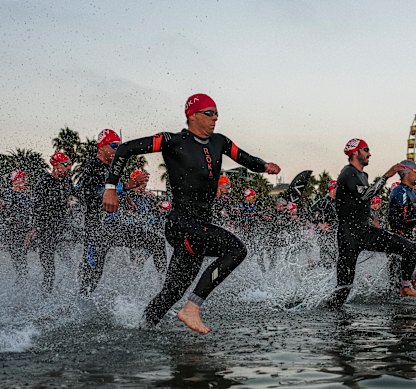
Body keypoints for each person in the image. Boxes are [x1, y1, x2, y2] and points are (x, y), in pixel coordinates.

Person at [102, 93, 280, 333]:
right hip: (181, 224)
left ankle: (141, 327)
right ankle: (192, 308)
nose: (215, 118)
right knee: (237, 249)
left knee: (173, 291)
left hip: (199, 229)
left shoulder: (220, 142)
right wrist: (110, 189)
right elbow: (124, 149)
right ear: (192, 115)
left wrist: (265, 166)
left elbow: (245, 159)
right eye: (209, 113)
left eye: (217, 113)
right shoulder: (172, 141)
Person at [325, 138, 416, 309]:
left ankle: (405, 287)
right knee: (343, 290)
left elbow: (360, 203)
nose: (370, 153)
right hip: (349, 237)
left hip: (366, 231)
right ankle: (329, 315)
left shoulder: (363, 175)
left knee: (409, 248)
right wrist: (387, 175)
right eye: (366, 149)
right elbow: (365, 195)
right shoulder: (348, 173)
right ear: (355, 152)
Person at [77, 129, 149, 295]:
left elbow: (114, 194)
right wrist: (126, 186)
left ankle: (162, 290)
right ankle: (79, 306)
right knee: (93, 271)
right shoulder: (92, 166)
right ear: (101, 147)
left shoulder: (112, 169)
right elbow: (91, 193)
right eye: (114, 146)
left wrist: (128, 201)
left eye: (120, 146)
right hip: (95, 229)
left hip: (111, 227)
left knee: (155, 242)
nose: (118, 150)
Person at [26, 152, 75, 291]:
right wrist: (33, 229)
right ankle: (44, 300)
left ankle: (66, 293)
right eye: (66, 165)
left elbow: (76, 195)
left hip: (61, 229)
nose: (69, 168)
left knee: (71, 265)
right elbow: (35, 208)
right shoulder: (43, 183)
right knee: (49, 271)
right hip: (45, 231)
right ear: (56, 165)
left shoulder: (67, 181)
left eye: (70, 165)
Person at [0, 170, 34, 283]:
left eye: (26, 179)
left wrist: (30, 232)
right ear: (14, 181)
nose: (25, 181)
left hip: (24, 233)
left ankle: (22, 284)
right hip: (12, 233)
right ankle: (20, 284)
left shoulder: (27, 196)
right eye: (22, 179)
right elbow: (7, 211)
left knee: (22, 261)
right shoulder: (8, 194)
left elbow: (31, 215)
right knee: (19, 262)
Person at [310, 179, 338, 267]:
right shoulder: (323, 202)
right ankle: (315, 267)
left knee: (336, 259)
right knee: (329, 260)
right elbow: (310, 213)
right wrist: (320, 224)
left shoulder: (340, 202)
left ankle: (315, 265)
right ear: (332, 189)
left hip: (336, 234)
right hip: (325, 236)